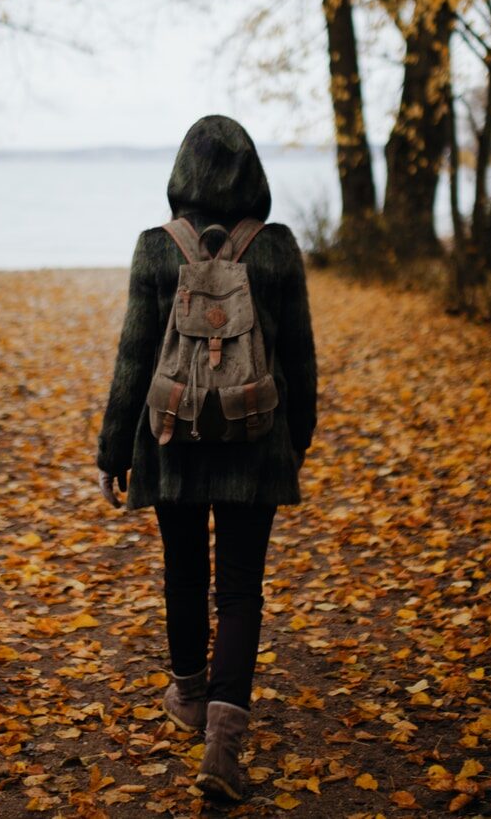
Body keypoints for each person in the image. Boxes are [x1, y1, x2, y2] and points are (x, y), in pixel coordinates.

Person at [95, 115, 318, 802]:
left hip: (172, 440)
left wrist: (113, 449)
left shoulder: (156, 249)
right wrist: (296, 439)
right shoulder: (276, 248)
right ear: (254, 174)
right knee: (241, 589)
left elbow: (134, 356)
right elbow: (301, 359)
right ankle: (224, 740)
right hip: (255, 442)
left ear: (181, 175)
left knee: (185, 575)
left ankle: (189, 694)